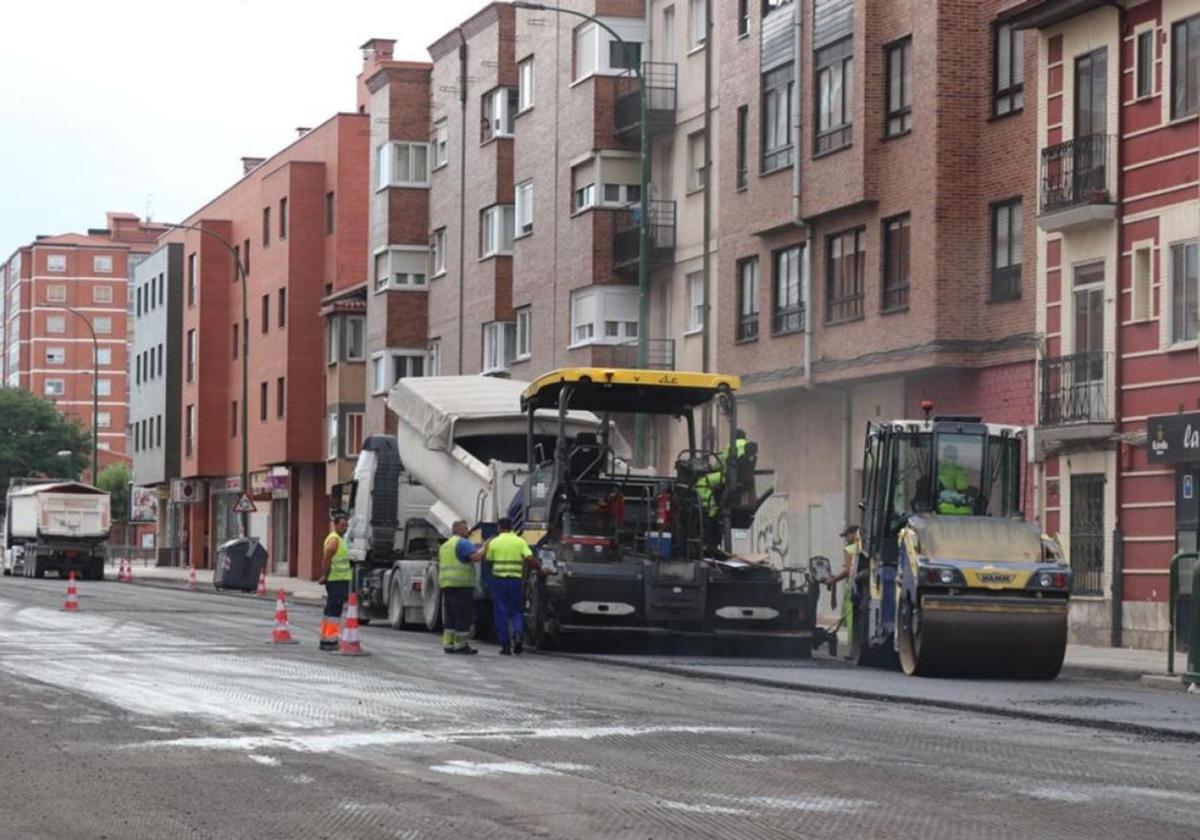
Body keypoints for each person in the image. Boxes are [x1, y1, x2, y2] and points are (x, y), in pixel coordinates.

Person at [484, 516, 533, 655]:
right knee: (516, 611)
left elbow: (488, 560)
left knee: (501, 612)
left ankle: (505, 645)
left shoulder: (495, 542)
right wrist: (539, 569)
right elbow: (529, 558)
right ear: (511, 527)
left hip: (499, 581)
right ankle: (518, 635)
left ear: (499, 527)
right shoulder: (520, 541)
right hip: (515, 581)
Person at [439, 520, 486, 655]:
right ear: (458, 530)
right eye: (466, 529)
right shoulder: (462, 543)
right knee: (463, 616)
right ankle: (461, 644)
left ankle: (448, 644)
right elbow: (476, 557)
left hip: (447, 585)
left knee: (450, 616)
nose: (468, 531)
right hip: (462, 586)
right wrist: (486, 546)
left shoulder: (446, 545)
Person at [316, 514, 352, 651]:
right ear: (335, 525)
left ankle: (325, 639)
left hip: (339, 580)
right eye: (342, 525)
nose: (345, 527)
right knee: (334, 612)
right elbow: (327, 557)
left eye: (346, 525)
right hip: (336, 580)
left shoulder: (340, 539)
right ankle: (330, 641)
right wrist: (324, 575)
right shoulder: (334, 540)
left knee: (330, 611)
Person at [827, 524, 861, 648]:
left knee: (851, 618)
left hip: (851, 586)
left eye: (847, 535)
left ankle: (852, 648)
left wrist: (834, 579)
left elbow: (848, 571)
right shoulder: (862, 548)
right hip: (861, 585)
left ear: (854, 534)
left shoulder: (850, 549)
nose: (846, 539)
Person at [937, 444, 975, 515]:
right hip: (959, 512)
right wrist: (972, 491)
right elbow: (962, 490)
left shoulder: (938, 469)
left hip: (939, 509)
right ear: (956, 456)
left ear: (944, 456)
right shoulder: (958, 471)